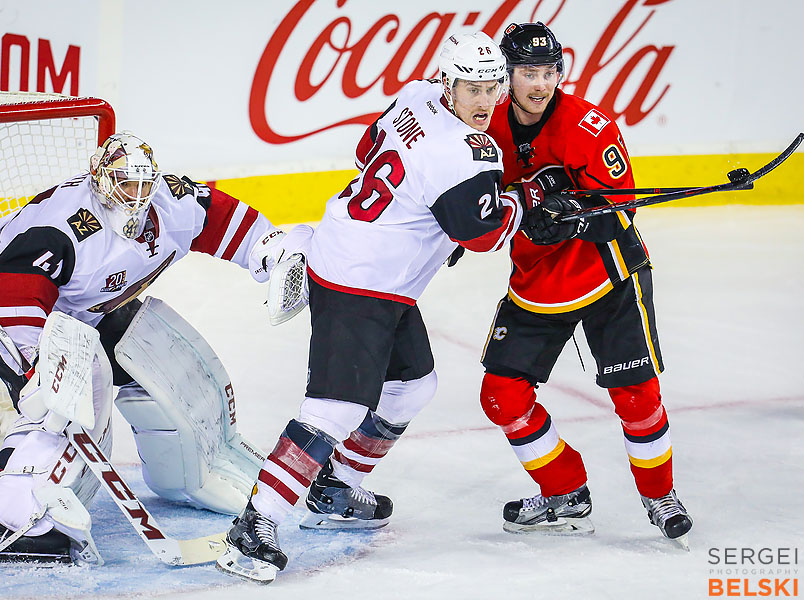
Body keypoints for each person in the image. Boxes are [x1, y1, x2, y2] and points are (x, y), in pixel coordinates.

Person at [215, 32, 540, 584]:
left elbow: (369, 152)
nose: (484, 102)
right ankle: (255, 524)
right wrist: (526, 203)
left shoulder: (414, 96)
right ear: (448, 82)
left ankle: (335, 488)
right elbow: (482, 234)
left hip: (362, 263)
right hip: (360, 280)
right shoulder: (466, 154)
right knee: (335, 408)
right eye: (472, 89)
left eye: (492, 88)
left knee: (413, 386)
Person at [0, 132, 288, 564]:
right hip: (6, 314)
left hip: (84, 313)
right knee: (65, 407)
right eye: (123, 184)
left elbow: (219, 218)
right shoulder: (65, 227)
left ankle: (191, 475)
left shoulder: (170, 205)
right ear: (99, 177)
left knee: (164, 360)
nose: (135, 198)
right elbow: (9, 292)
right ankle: (8, 518)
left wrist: (271, 251)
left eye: (142, 186)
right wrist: (40, 368)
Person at [479, 22, 692, 545]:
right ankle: (564, 493)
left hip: (607, 275)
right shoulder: (485, 127)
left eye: (550, 71)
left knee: (637, 396)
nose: (541, 83)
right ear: (507, 74)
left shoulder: (588, 128)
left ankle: (660, 495)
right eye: (529, 72)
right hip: (535, 280)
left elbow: (620, 210)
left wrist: (570, 214)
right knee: (502, 397)